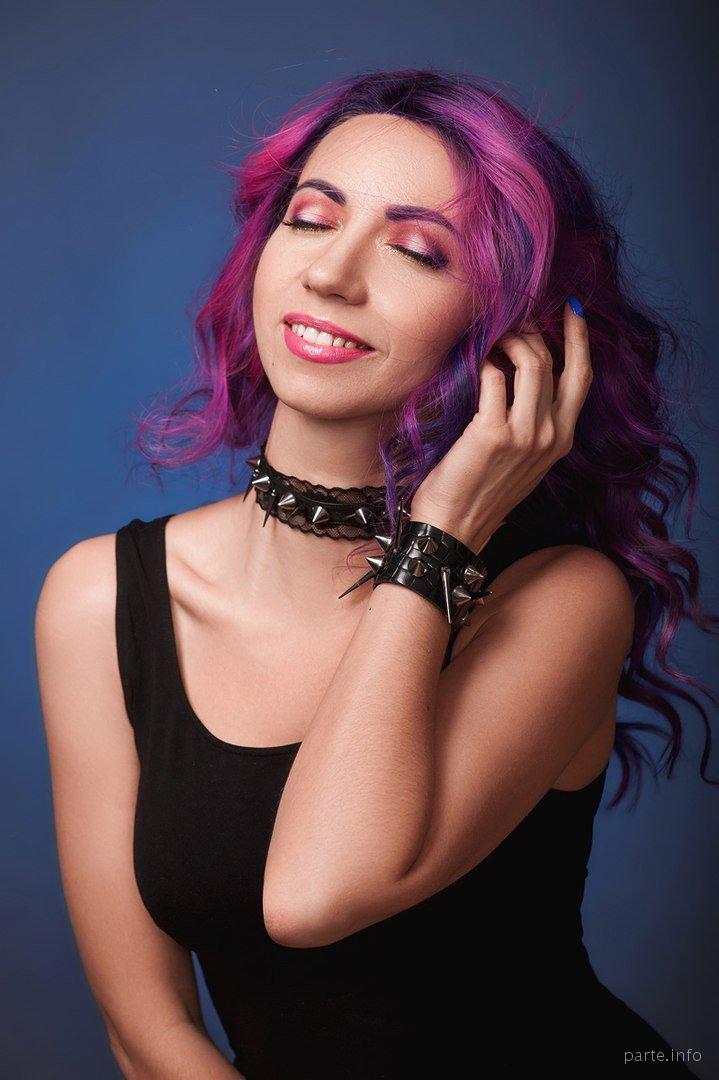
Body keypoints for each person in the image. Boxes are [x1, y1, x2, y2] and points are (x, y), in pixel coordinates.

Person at [35, 70, 713, 1079]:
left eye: (415, 251)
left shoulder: (560, 599)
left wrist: (440, 532)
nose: (331, 274)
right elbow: (147, 1034)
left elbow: (313, 895)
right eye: (310, 220)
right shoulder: (100, 599)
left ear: (512, 332)